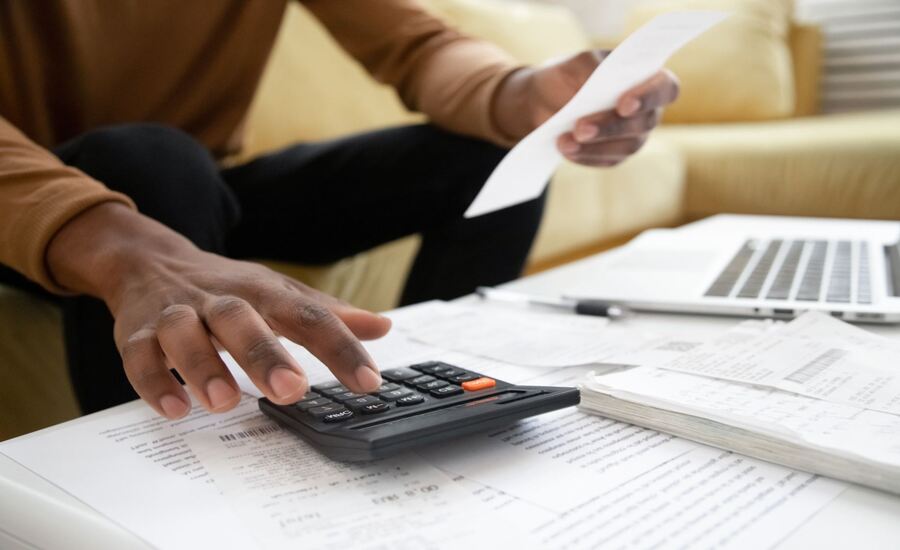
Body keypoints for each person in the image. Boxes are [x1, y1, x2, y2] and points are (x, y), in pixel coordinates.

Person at [0, 0, 678, 420]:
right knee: (151, 159)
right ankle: (156, 465)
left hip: (206, 189)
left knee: (475, 156)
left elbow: (416, 45)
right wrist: (117, 242)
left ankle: (424, 398)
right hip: (36, 211)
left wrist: (520, 92)